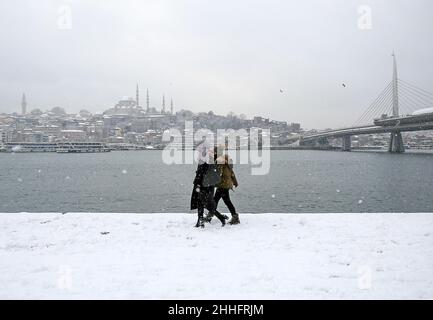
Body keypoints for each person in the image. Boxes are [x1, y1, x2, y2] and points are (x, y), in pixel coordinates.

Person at [190, 142, 227, 228]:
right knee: (200, 203)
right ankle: (200, 221)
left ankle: (221, 218)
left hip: (205, 185)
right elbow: (201, 171)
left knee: (206, 204)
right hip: (203, 183)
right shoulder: (204, 157)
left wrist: (199, 183)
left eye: (199, 149)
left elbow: (204, 172)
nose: (198, 150)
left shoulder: (206, 158)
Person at [204, 146, 240, 225]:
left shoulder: (220, 161)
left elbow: (218, 173)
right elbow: (231, 172)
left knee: (216, 201)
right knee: (222, 201)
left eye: (214, 152)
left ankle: (210, 216)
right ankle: (234, 216)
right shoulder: (225, 160)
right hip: (225, 184)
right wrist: (234, 182)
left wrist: (209, 180)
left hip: (223, 184)